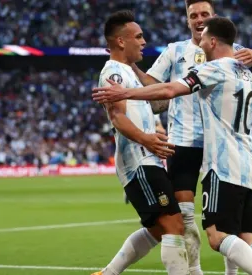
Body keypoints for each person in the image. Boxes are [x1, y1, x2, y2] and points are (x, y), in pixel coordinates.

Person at [93, 16, 252, 275]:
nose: (198, 39)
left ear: (213, 40)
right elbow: (142, 101)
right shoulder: (243, 70)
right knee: (234, 233)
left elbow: (168, 91)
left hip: (223, 164)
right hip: (247, 161)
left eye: (204, 34)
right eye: (139, 37)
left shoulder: (214, 68)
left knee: (211, 233)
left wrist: (125, 93)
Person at [91, 10, 189, 275]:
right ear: (121, 41)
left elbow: (155, 105)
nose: (144, 41)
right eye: (138, 36)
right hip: (139, 160)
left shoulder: (128, 73)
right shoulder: (114, 73)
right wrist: (148, 139)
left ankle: (107, 273)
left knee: (158, 230)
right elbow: (118, 118)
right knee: (174, 226)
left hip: (147, 158)